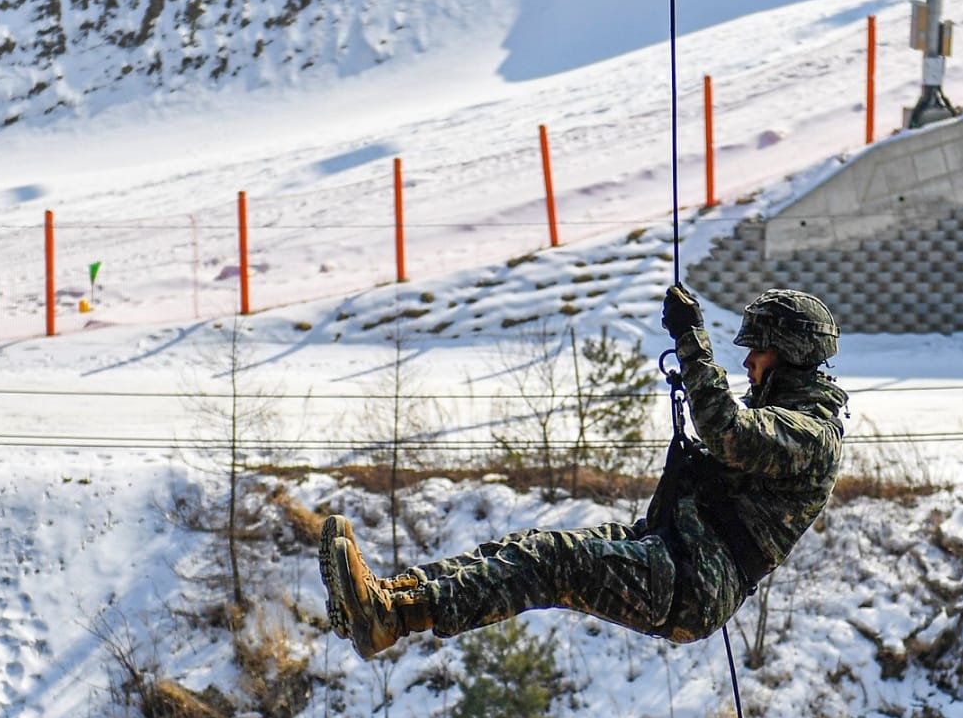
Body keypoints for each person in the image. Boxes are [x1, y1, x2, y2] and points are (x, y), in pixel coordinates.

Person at [319, 283, 848, 660]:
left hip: (692, 583)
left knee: (552, 562)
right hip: (671, 554)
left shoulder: (810, 434)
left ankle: (393, 613)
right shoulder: (789, 419)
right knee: (527, 550)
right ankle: (390, 601)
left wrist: (693, 344)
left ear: (791, 353)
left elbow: (726, 430)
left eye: (759, 348)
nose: (748, 361)